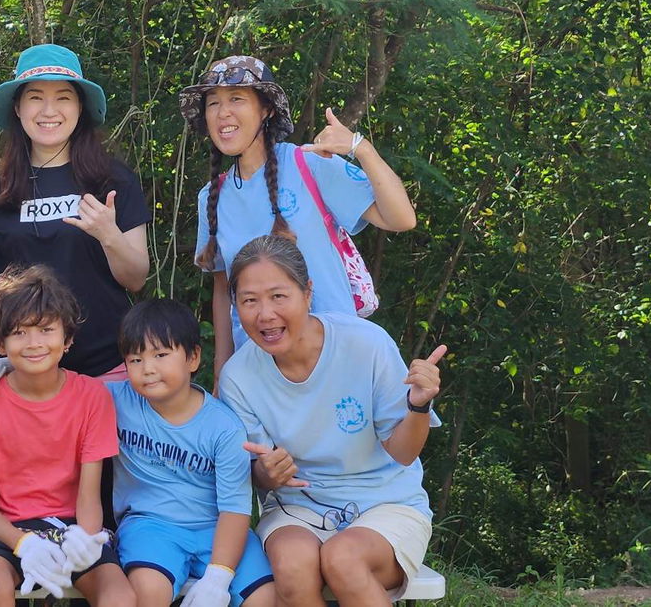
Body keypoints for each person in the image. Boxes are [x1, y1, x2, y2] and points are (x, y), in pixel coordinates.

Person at [216, 235, 445, 607]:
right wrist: (267, 474)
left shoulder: (366, 344)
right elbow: (256, 473)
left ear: (307, 292)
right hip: (296, 508)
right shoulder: (237, 377)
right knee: (293, 566)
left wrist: (418, 407)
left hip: (386, 503)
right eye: (249, 300)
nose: (265, 314)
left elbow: (403, 454)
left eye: (278, 296)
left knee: (343, 559)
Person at [178, 55, 418, 378]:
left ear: (267, 109)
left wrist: (360, 147)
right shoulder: (212, 197)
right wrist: (223, 371)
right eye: (213, 103)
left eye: (236, 99)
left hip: (337, 357)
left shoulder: (309, 164)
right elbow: (223, 292)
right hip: (261, 372)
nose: (223, 113)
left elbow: (401, 219)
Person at [0, 43, 150, 384]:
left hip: (107, 369)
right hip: (24, 371)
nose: (49, 110)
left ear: (80, 107)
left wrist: (110, 236)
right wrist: (22, 320)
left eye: (63, 97)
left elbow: (136, 278)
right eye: (35, 97)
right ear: (18, 107)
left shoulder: (113, 180)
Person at [0, 265, 135, 607]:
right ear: (0, 342)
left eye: (46, 329)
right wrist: (24, 544)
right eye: (19, 332)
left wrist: (84, 539)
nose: (34, 343)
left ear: (67, 339)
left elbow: (89, 498)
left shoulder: (93, 397)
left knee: (120, 596)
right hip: (1, 530)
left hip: (71, 527)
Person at [111, 299, 274, 607]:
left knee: (264, 597)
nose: (148, 369)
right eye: (135, 359)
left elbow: (235, 508)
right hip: (150, 525)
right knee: (148, 590)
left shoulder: (224, 427)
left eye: (161, 355)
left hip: (216, 526)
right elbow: (64, 391)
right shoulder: (116, 400)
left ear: (193, 357)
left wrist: (219, 576)